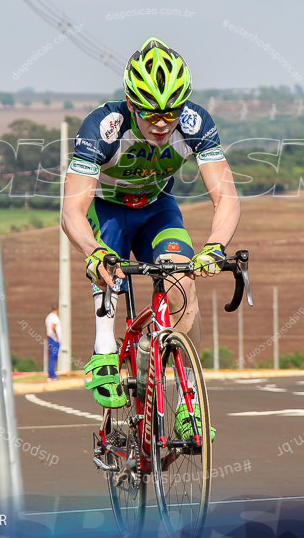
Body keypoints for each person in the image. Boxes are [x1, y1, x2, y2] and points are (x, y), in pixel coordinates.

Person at [61, 37, 240, 439]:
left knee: (183, 283)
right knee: (107, 264)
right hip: (106, 208)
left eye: (170, 113)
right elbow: (72, 210)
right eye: (150, 113)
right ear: (130, 102)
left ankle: (189, 400)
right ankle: (104, 349)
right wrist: (91, 251)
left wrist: (215, 246)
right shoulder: (104, 127)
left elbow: (227, 197)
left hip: (157, 209)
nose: (162, 123)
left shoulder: (195, 124)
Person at [45, 304, 61, 380]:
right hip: (54, 339)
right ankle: (52, 375)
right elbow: (53, 326)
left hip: (50, 338)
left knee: (52, 356)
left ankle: (51, 373)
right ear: (57, 309)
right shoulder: (54, 317)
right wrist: (57, 336)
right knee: (53, 357)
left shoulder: (48, 317)